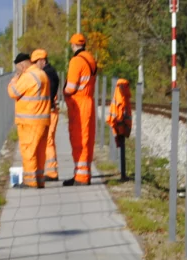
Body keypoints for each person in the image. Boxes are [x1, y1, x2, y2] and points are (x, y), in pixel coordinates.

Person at [7, 52, 51, 189]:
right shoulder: (42, 74)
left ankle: (30, 182)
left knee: (28, 151)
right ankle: (39, 179)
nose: (18, 71)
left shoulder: (28, 76)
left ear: (21, 65)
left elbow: (13, 92)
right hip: (43, 119)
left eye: (18, 68)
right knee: (39, 152)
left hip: (29, 121)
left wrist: (14, 79)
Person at [62, 33, 98, 186]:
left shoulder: (76, 61)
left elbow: (71, 87)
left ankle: (81, 176)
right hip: (89, 101)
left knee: (79, 139)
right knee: (87, 139)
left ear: (73, 45)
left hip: (79, 104)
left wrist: (64, 92)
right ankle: (83, 173)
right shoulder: (91, 59)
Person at [35, 51, 61, 182]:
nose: (34, 65)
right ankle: (50, 170)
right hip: (50, 111)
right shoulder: (49, 72)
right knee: (47, 140)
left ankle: (52, 172)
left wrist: (48, 102)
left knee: (49, 140)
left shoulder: (48, 73)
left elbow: (49, 92)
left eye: (36, 62)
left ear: (42, 61)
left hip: (50, 111)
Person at [106, 77, 133, 181]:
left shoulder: (120, 94)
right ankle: (122, 174)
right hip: (120, 127)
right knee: (121, 147)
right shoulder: (121, 96)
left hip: (120, 126)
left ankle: (123, 173)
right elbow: (120, 114)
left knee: (122, 147)